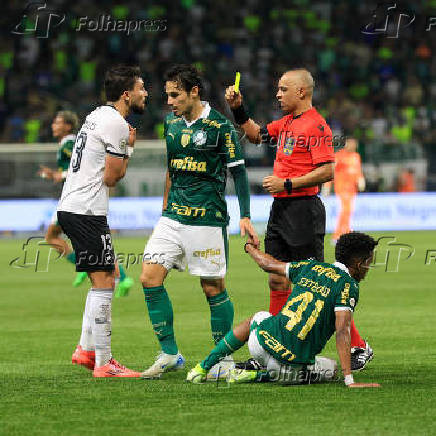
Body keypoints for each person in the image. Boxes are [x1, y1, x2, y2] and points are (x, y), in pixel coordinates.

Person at [225, 69, 373, 372]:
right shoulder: (287, 123)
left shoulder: (316, 126)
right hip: (281, 209)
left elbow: (328, 170)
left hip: (304, 208)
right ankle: (275, 345)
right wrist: (238, 108)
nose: (277, 94)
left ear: (301, 92)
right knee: (277, 278)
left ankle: (359, 346)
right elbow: (255, 136)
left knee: (318, 285)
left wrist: (288, 183)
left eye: (283, 89)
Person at [140, 64, 259, 379]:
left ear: (194, 92)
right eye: (167, 95)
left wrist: (245, 215)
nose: (169, 101)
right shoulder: (171, 124)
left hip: (207, 218)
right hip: (173, 216)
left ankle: (222, 361)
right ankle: (169, 354)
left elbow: (239, 172)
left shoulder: (220, 127)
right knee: (149, 277)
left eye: (174, 94)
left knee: (212, 287)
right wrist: (165, 207)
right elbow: (172, 168)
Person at [187, 232, 380, 388]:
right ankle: (257, 376)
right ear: (358, 263)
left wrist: (249, 248)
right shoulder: (348, 286)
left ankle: (201, 368)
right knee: (331, 368)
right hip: (290, 368)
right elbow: (342, 331)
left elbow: (267, 264)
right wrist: (349, 379)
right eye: (369, 262)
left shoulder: (310, 267)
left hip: (260, 345)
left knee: (258, 317)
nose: (369, 267)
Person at [57, 65, 148, 377]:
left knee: (105, 275)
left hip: (73, 205)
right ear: (126, 94)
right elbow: (112, 178)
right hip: (87, 209)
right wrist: (129, 150)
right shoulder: (117, 125)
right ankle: (104, 363)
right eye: (141, 88)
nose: (145, 93)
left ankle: (86, 349)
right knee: (106, 281)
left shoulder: (96, 115)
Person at [39, 112, 134, 297]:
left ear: (68, 126)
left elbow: (81, 167)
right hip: (75, 199)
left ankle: (119, 276)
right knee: (60, 238)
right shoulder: (66, 143)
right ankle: (89, 265)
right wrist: (56, 175)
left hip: (78, 200)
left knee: (60, 238)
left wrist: (61, 175)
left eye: (58, 122)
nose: (53, 125)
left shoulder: (69, 143)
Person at [328, 137, 365, 242]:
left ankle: (345, 232)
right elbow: (331, 171)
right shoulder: (339, 156)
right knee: (346, 210)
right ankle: (337, 235)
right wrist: (327, 186)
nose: (353, 146)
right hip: (342, 187)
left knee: (348, 211)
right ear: (346, 144)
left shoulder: (356, 156)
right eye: (351, 144)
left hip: (352, 188)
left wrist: (361, 178)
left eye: (354, 144)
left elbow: (357, 170)